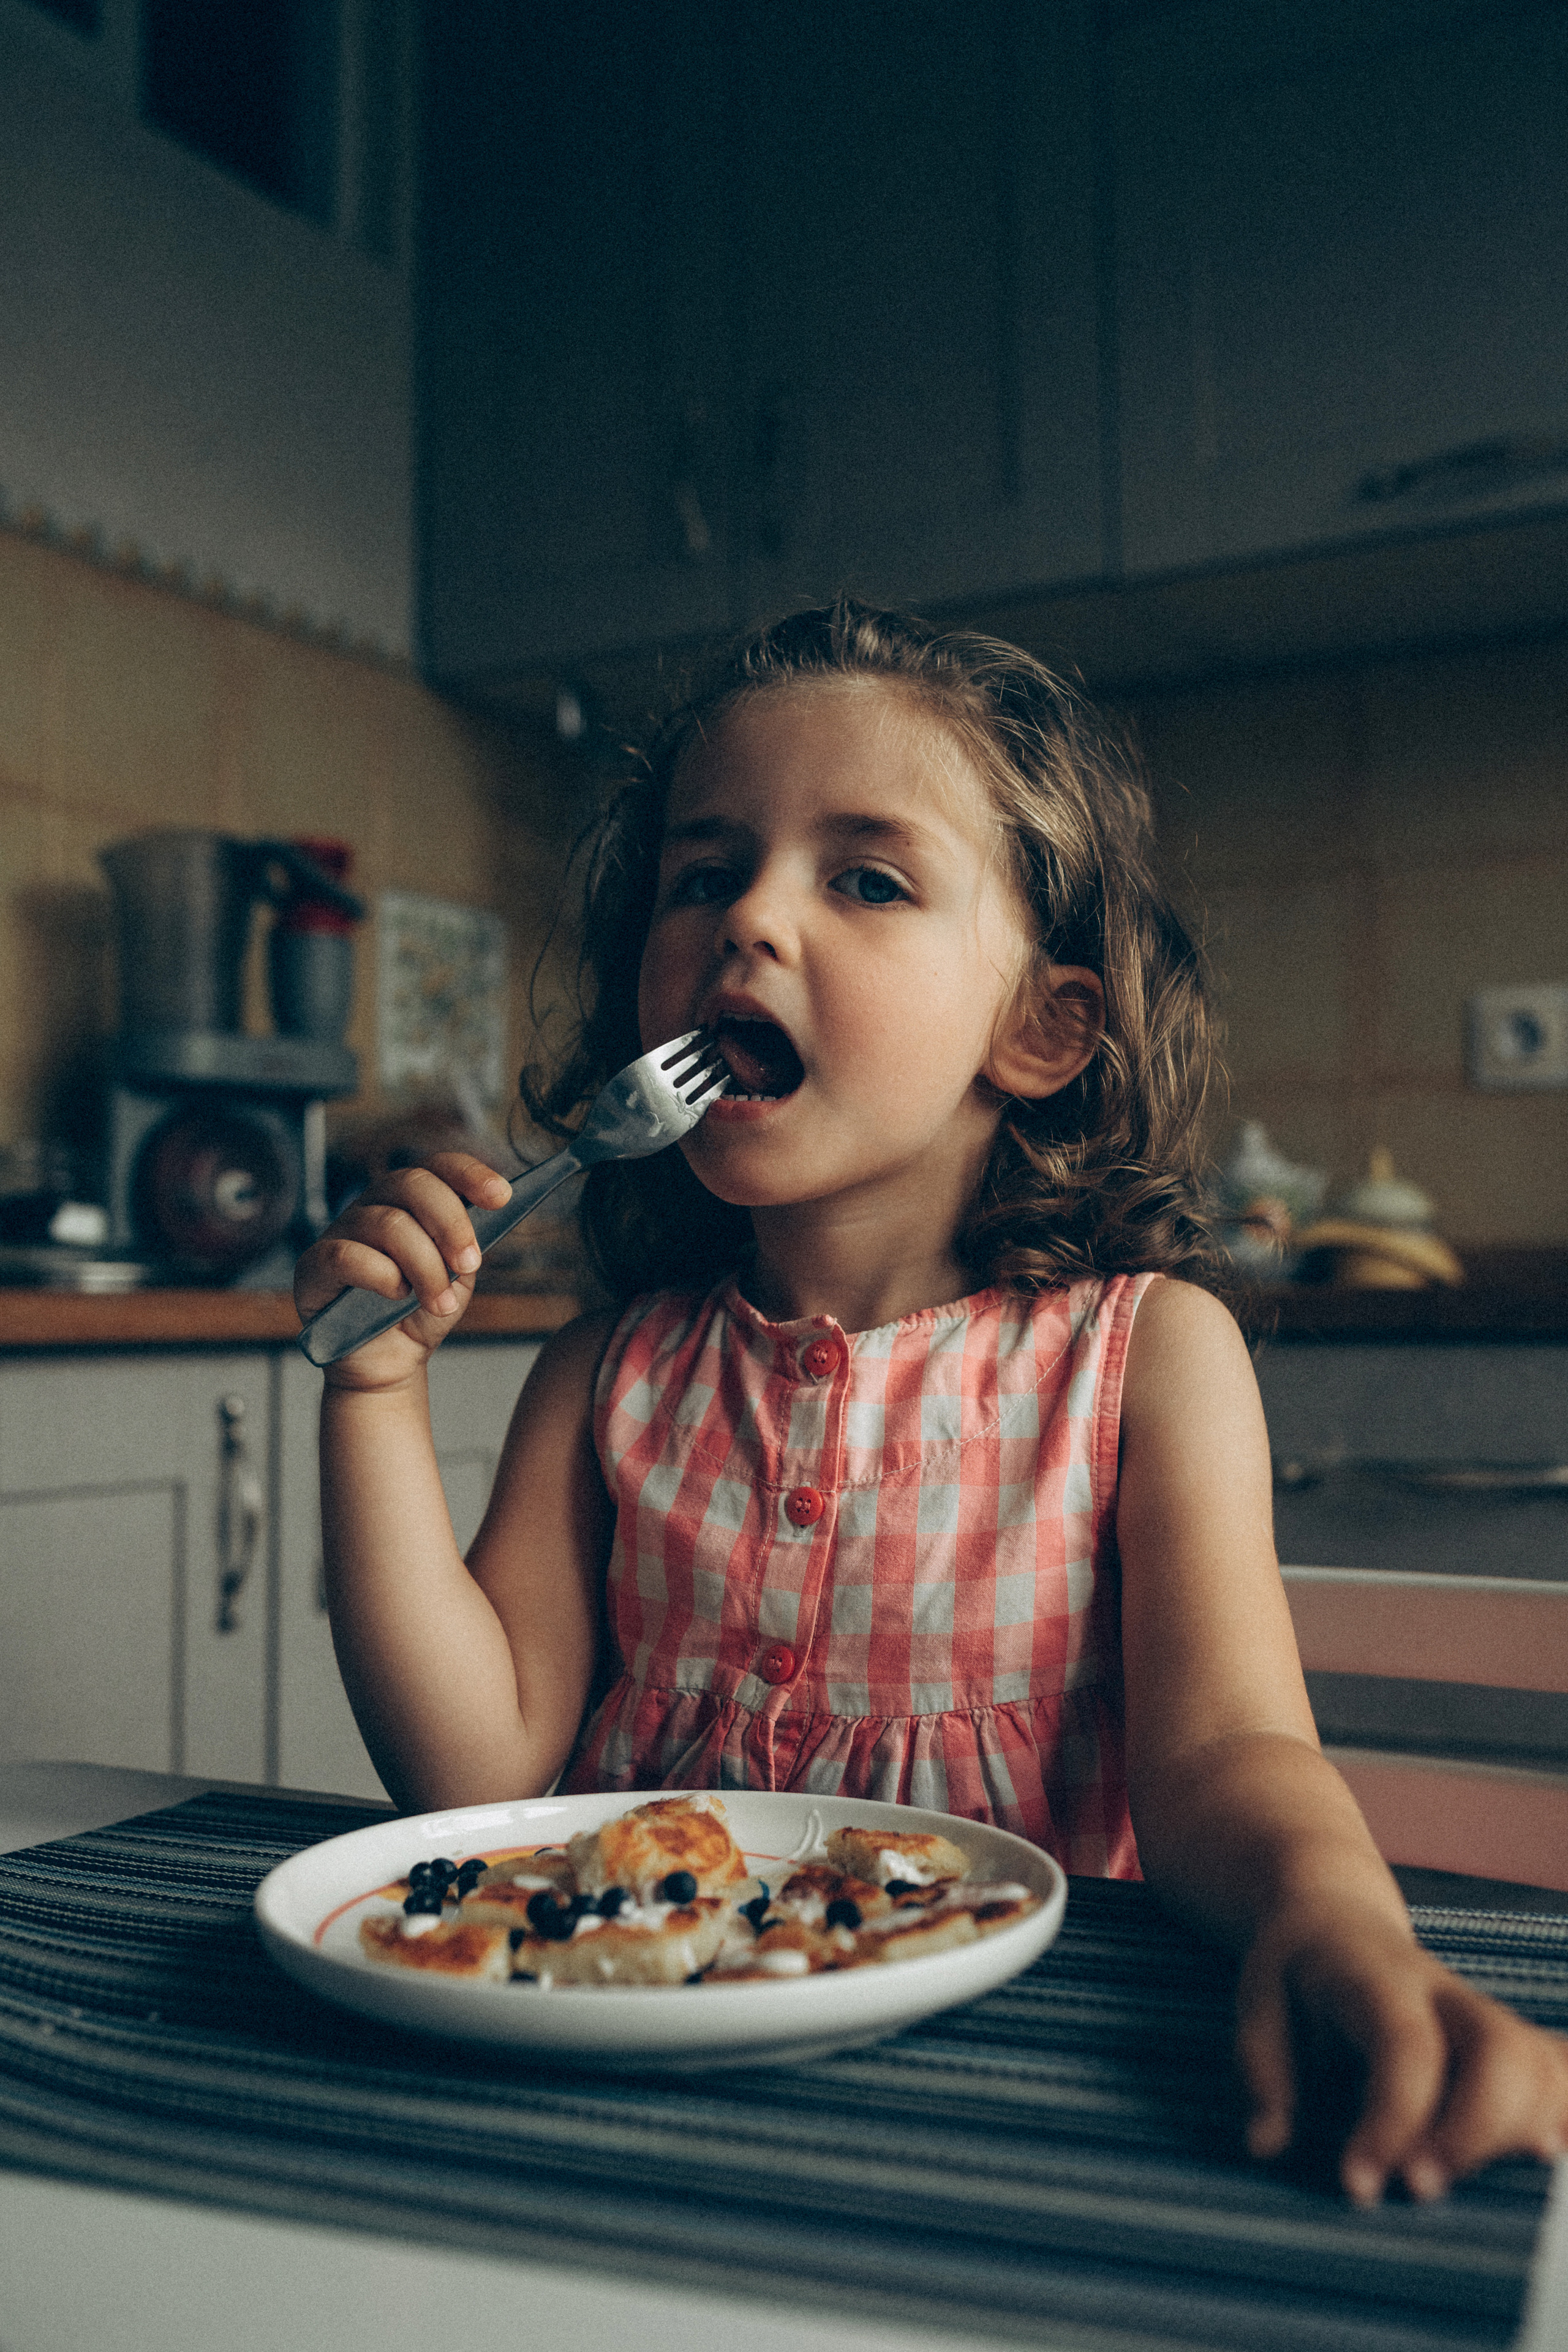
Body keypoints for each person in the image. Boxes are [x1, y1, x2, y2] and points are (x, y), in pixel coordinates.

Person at [298, 600, 1568, 2205]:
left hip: (1022, 2095)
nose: (749, 919)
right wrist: (376, 1390)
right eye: (704, 873)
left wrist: (1334, 1918)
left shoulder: (1145, 1361)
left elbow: (1225, 1753)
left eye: (866, 879)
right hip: (637, 2080)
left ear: (1038, 1028)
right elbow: (470, 1781)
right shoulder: (606, 1379)